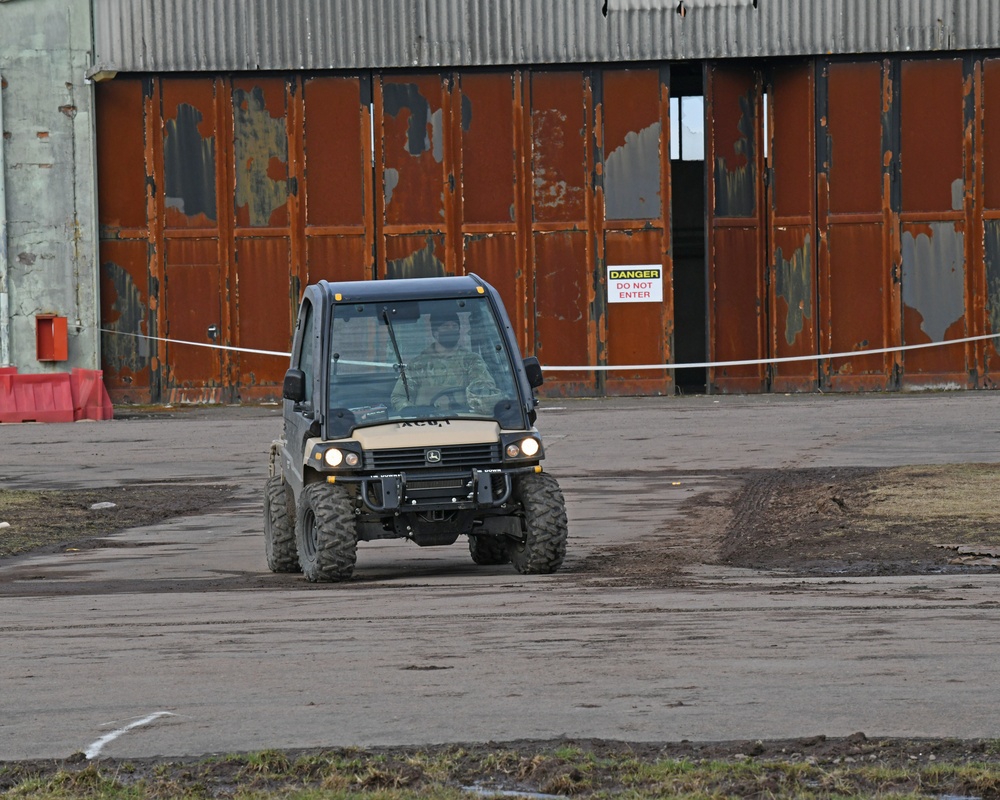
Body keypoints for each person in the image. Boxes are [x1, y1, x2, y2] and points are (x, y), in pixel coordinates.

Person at [390, 310, 502, 414]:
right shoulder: (418, 365)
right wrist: (413, 411)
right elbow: (399, 397)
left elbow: (484, 390)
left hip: (464, 420)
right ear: (436, 332)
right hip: (425, 424)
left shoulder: (471, 360)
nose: (451, 329)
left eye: (454, 326)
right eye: (446, 326)